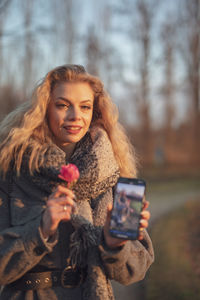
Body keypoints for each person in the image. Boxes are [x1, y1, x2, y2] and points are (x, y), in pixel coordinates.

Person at [0, 64, 154, 300]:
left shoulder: (112, 172)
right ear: (44, 109)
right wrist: (40, 229)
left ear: (95, 112)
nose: (75, 116)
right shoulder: (13, 170)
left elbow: (136, 270)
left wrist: (116, 244)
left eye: (85, 107)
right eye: (62, 105)